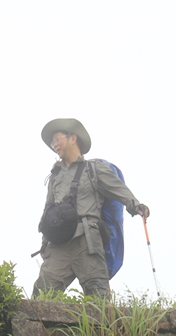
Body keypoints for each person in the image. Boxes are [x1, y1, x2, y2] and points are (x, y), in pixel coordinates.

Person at [33, 118, 149, 300]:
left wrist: (135, 205)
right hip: (58, 245)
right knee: (42, 294)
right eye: (52, 142)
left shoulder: (94, 169)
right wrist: (44, 241)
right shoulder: (55, 176)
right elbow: (48, 210)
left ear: (73, 138)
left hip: (87, 242)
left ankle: (100, 330)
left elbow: (118, 188)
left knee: (98, 296)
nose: (54, 145)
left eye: (57, 139)